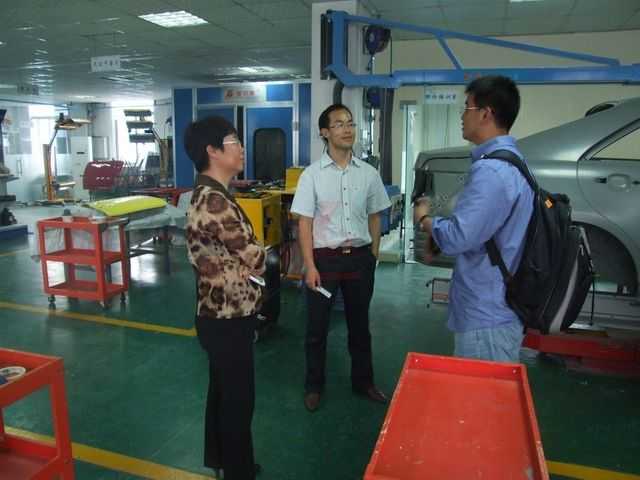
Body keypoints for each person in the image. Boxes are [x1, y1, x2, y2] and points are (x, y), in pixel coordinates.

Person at [414, 75, 533, 363]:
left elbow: (458, 237)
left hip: (486, 316)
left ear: (485, 114)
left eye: (466, 107)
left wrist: (425, 220)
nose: (461, 116)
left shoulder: (492, 172)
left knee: (481, 391)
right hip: (497, 307)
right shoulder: (513, 162)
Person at [291, 103, 391, 412]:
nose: (347, 129)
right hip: (325, 261)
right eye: (339, 124)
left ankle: (364, 382)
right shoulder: (311, 176)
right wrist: (309, 266)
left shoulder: (369, 173)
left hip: (360, 259)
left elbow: (375, 216)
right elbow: (304, 223)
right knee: (316, 328)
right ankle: (313, 386)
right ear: (325, 132)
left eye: (350, 123)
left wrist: (373, 255)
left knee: (360, 326)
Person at [184, 116, 265, 479]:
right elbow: (254, 257)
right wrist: (258, 259)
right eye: (234, 141)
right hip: (227, 317)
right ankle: (238, 471)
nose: (242, 148)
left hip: (219, 314)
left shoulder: (209, 193)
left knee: (223, 393)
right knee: (238, 400)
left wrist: (246, 261)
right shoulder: (214, 201)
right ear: (212, 151)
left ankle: (226, 462)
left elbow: (241, 255)